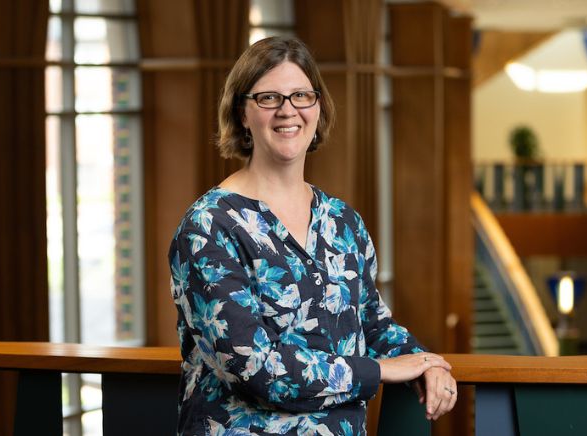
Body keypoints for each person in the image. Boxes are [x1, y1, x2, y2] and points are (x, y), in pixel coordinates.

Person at [169, 35, 457, 435]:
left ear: (318, 107)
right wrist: (377, 371)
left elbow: (371, 324)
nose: (288, 111)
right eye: (269, 98)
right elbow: (256, 370)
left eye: (301, 96)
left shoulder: (342, 221)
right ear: (242, 113)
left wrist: (426, 362)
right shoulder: (209, 227)